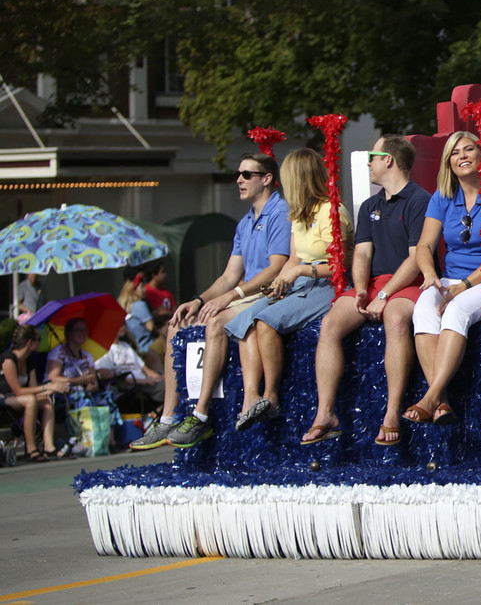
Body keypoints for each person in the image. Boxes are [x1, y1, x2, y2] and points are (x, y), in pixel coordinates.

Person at [130, 152, 291, 450]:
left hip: (268, 296)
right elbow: (230, 275)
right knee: (176, 326)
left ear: (267, 179)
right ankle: (167, 417)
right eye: (238, 174)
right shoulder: (244, 222)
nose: (239, 180)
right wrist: (197, 300)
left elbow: (276, 268)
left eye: (247, 175)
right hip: (243, 296)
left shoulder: (280, 213)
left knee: (215, 321)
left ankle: (201, 415)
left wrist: (231, 297)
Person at [300, 135, 429, 446]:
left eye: (374, 155)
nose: (369, 162)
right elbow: (361, 253)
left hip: (408, 283)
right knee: (330, 323)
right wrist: (360, 289)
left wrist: (384, 296)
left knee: (396, 319)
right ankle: (326, 414)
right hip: (373, 284)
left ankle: (392, 413)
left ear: (389, 160)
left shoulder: (419, 199)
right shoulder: (370, 204)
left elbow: (416, 259)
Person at [406, 132, 481, 426]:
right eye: (454, 152)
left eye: (468, 149)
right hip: (451, 281)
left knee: (457, 310)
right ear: (448, 162)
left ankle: (430, 395)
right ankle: (442, 401)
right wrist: (431, 276)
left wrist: (463, 287)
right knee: (423, 307)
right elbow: (424, 246)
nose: (462, 156)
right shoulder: (443, 196)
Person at [227, 149, 351, 433]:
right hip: (301, 281)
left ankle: (271, 396)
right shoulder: (298, 214)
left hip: (325, 284)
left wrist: (297, 272)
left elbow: (340, 266)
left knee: (266, 321)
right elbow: (293, 260)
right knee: (244, 320)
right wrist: (280, 283)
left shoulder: (331, 211)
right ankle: (252, 397)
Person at [1, 323, 69, 461]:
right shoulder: (8, 359)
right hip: (4, 398)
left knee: (47, 401)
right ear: (30, 342)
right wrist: (48, 387)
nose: (40, 342)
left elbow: (33, 388)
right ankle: (31, 448)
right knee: (30, 400)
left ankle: (49, 446)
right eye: (38, 339)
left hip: (18, 398)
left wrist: (54, 389)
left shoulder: (29, 361)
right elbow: (18, 391)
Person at [46, 317, 124, 433]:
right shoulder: (58, 353)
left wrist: (91, 385)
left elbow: (93, 382)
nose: (83, 333)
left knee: (107, 399)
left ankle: (109, 442)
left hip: (84, 392)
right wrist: (79, 380)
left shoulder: (87, 356)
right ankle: (89, 439)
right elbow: (52, 377)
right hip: (64, 395)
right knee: (85, 401)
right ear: (69, 333)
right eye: (78, 330)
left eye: (85, 330)